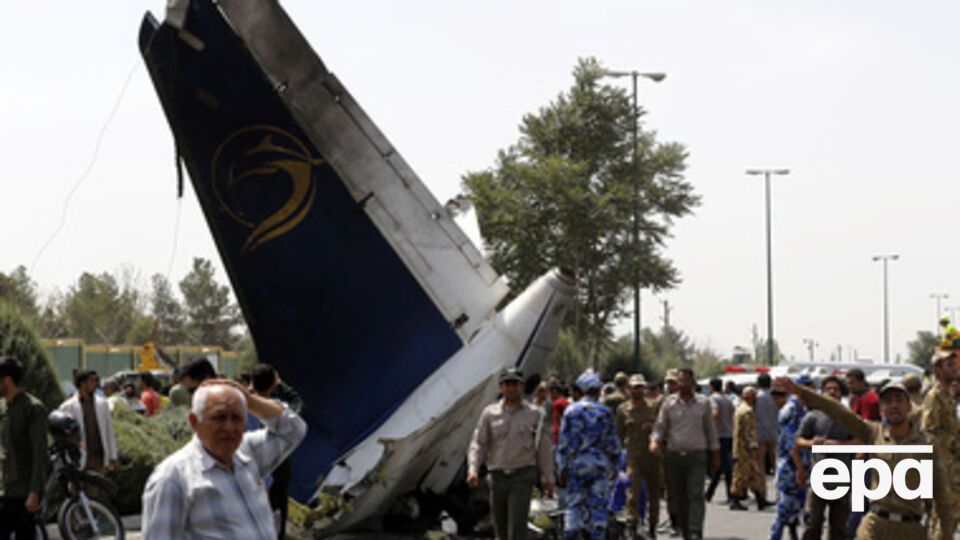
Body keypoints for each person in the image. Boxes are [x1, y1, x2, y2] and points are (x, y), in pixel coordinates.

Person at [776, 376, 955, 540]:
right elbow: (839, 412)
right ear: (881, 409)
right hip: (875, 525)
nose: (894, 406)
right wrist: (802, 392)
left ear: (909, 406)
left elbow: (942, 497)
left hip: (910, 529)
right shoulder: (872, 432)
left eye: (900, 400)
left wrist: (945, 535)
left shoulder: (926, 444)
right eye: (888, 401)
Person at [141, 379, 307, 539]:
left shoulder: (248, 453)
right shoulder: (172, 478)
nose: (229, 427)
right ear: (194, 422)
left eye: (237, 418)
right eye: (219, 418)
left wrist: (250, 401)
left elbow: (294, 429)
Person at [467, 368, 553, 540]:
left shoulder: (534, 414)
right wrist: (473, 469)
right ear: (501, 387)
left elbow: (543, 449)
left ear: (522, 387)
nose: (512, 388)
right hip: (498, 477)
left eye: (516, 384)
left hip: (522, 476)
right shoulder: (489, 413)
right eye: (508, 384)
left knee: (516, 528)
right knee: (500, 529)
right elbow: (479, 443)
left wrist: (548, 479)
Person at [650, 368, 719, 540]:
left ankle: (695, 531)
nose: (682, 384)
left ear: (693, 383)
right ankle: (686, 530)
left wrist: (715, 453)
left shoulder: (703, 403)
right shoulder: (669, 404)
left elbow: (710, 431)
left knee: (695, 494)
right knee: (678, 497)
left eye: (686, 381)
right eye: (680, 381)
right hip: (673, 456)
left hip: (697, 455)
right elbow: (660, 427)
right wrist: (654, 441)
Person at [556, 369, 620, 540]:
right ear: (598, 390)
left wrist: (561, 467)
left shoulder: (570, 411)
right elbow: (613, 445)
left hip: (576, 465)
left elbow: (563, 444)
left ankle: (571, 534)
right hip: (599, 466)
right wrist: (614, 469)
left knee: (574, 505)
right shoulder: (605, 412)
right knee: (598, 507)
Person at [795, 375, 853, 540]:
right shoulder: (813, 416)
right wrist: (812, 443)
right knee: (813, 523)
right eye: (829, 389)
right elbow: (798, 440)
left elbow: (861, 440)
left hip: (842, 478)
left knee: (839, 528)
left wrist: (840, 444)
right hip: (818, 477)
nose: (832, 392)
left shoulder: (849, 417)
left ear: (841, 393)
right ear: (822, 393)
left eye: (836, 389)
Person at [0, 357, 49, 540]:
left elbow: (40, 454)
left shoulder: (33, 409)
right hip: (3, 489)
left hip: (23, 493)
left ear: (7, 381)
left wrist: (35, 492)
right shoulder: (2, 407)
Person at [616, 374, 661, 538]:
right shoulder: (622, 409)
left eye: (641, 387)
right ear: (629, 389)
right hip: (633, 455)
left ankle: (652, 527)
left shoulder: (653, 407)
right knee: (632, 491)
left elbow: (663, 428)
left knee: (653, 493)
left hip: (652, 456)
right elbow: (619, 434)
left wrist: (653, 428)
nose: (638, 390)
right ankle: (632, 523)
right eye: (635, 387)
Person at [921, 348, 960, 538]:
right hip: (943, 471)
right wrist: (955, 444)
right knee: (943, 522)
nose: (955, 368)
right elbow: (929, 433)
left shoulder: (947, 395)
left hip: (952, 471)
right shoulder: (934, 396)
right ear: (938, 370)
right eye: (949, 365)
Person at [770, 377, 811, 540]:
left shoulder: (802, 407)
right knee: (785, 507)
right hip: (791, 465)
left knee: (797, 506)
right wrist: (800, 468)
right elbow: (791, 443)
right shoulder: (793, 409)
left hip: (798, 463)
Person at [58, 369, 118, 473]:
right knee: (75, 489)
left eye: (97, 380)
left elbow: (109, 431)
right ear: (83, 384)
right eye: (92, 380)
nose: (96, 383)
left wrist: (113, 456)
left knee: (93, 488)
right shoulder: (67, 407)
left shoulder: (102, 404)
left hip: (97, 460)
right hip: (76, 461)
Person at [729, 386, 767, 511]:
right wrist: (754, 447)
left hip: (740, 448)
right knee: (741, 475)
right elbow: (749, 432)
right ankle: (735, 499)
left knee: (753, 474)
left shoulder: (739, 409)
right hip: (744, 450)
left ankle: (760, 499)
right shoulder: (748, 411)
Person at [705, 378, 734, 505]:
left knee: (724, 466)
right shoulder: (727, 399)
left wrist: (706, 424)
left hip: (718, 435)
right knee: (721, 466)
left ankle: (731, 494)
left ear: (711, 387)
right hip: (728, 434)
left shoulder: (713, 399)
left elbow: (715, 413)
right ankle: (709, 494)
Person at [755, 373, 778, 475]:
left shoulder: (756, 396)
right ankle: (777, 472)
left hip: (759, 429)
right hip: (774, 428)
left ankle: (761, 479)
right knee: (773, 453)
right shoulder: (775, 396)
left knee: (760, 457)